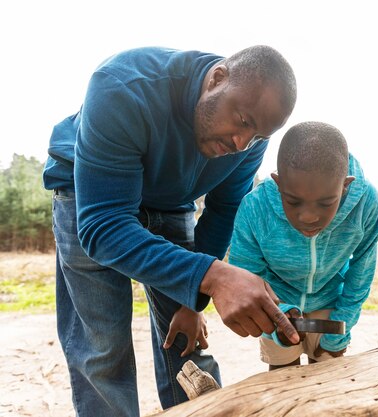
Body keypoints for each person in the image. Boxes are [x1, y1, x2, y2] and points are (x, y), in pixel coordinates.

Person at [42, 45, 300, 417]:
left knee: (186, 343)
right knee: (103, 350)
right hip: (92, 198)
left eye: (257, 136)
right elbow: (103, 226)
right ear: (216, 80)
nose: (241, 144)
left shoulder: (250, 139)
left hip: (172, 202)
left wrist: (190, 300)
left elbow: (224, 209)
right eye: (242, 121)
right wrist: (211, 277)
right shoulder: (123, 87)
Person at [228, 121, 378, 370]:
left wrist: (342, 323)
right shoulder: (255, 208)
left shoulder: (367, 204)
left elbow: (362, 270)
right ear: (278, 184)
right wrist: (276, 313)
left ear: (345, 186)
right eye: (293, 201)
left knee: (327, 381)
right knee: (282, 382)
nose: (308, 217)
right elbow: (246, 274)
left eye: (325, 203)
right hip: (276, 302)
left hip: (330, 303)